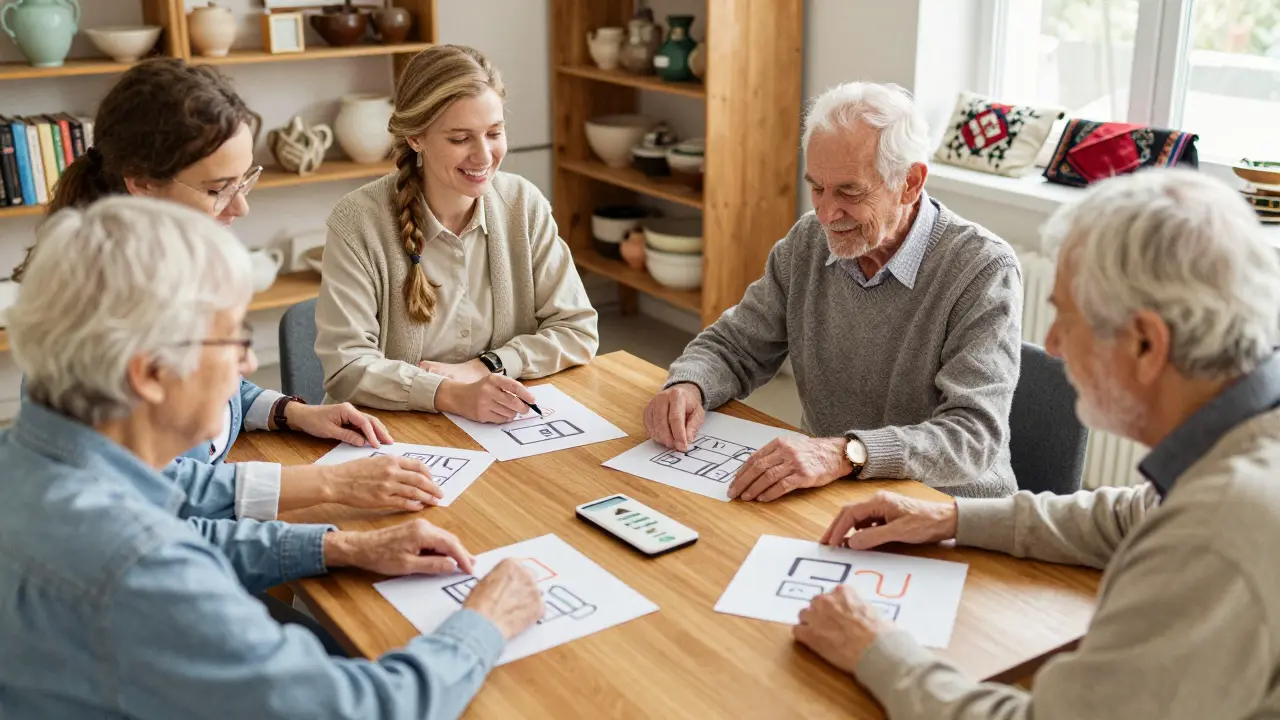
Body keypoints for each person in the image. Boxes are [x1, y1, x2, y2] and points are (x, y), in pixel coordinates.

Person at [0, 196, 545, 719]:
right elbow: (363, 710)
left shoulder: (30, 459)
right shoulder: (141, 569)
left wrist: (340, 546)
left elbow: (183, 533)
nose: (248, 364)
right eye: (231, 341)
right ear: (150, 374)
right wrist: (485, 622)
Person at [793, 169, 1280, 719]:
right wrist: (950, 518)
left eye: (1066, 318)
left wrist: (877, 650)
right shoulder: (1244, 435)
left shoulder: (1217, 533)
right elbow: (1135, 515)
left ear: (1146, 344)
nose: (1050, 345)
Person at [11, 58, 441, 523]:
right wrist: (330, 483)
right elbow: (155, 488)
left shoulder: (181, 263)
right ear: (143, 184)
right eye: (219, 189)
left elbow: (206, 378)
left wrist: (288, 412)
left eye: (245, 180)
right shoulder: (99, 313)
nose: (241, 207)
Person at [644, 82, 1022, 501]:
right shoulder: (808, 241)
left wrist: (846, 454)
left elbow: (973, 435)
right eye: (817, 188)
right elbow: (736, 345)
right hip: (833, 488)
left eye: (849, 191)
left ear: (910, 183)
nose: (826, 214)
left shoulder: (982, 269)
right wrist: (690, 385)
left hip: (945, 506)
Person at [315, 44, 599, 424]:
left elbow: (577, 329)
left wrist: (488, 365)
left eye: (494, 133)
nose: (484, 156)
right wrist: (449, 394)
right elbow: (346, 366)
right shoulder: (357, 221)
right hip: (392, 430)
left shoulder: (523, 204)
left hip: (494, 424)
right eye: (460, 139)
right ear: (416, 138)